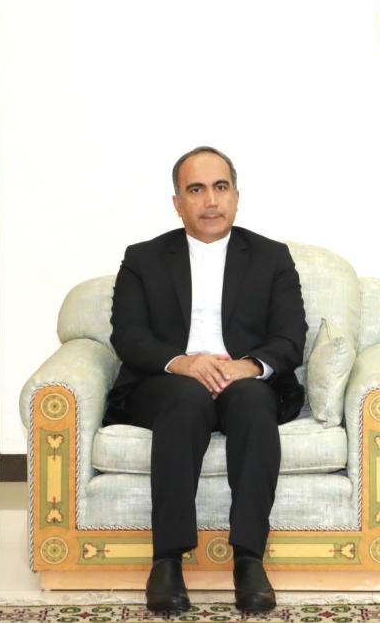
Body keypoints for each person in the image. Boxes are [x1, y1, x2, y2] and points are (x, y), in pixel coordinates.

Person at [104, 146, 307, 614]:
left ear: (236, 195)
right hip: (167, 383)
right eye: (196, 190)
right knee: (186, 400)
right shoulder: (143, 258)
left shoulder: (271, 257)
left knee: (253, 401)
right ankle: (167, 561)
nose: (210, 200)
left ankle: (249, 560)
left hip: (243, 379)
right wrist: (182, 362)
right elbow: (128, 336)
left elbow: (290, 336)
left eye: (220, 187)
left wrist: (248, 366)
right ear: (178, 203)